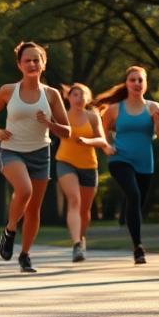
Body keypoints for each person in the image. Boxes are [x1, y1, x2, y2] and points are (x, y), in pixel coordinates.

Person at [0, 42, 71, 274]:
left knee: (33, 210)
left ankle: (25, 255)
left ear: (43, 64)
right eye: (27, 60)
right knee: (24, 190)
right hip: (12, 149)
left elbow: (67, 131)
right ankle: (10, 229)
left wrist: (49, 123)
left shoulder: (51, 95)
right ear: (19, 65)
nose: (32, 64)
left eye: (36, 60)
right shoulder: (8, 90)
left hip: (41, 152)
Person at [97, 66, 159, 264]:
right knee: (134, 194)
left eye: (140, 80)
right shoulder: (115, 109)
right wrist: (106, 146)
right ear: (126, 83)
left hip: (145, 163)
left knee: (136, 203)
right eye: (132, 80)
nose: (137, 83)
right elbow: (101, 127)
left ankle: (131, 227)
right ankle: (138, 247)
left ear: (145, 84)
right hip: (120, 159)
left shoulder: (153, 107)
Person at [55, 83, 108, 262]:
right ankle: (77, 243)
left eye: (82, 95)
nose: (78, 98)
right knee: (74, 199)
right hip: (65, 162)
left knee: (84, 211)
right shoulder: (62, 116)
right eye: (75, 94)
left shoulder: (92, 117)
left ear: (87, 98)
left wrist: (88, 141)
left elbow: (101, 140)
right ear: (68, 98)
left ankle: (81, 238)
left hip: (88, 166)